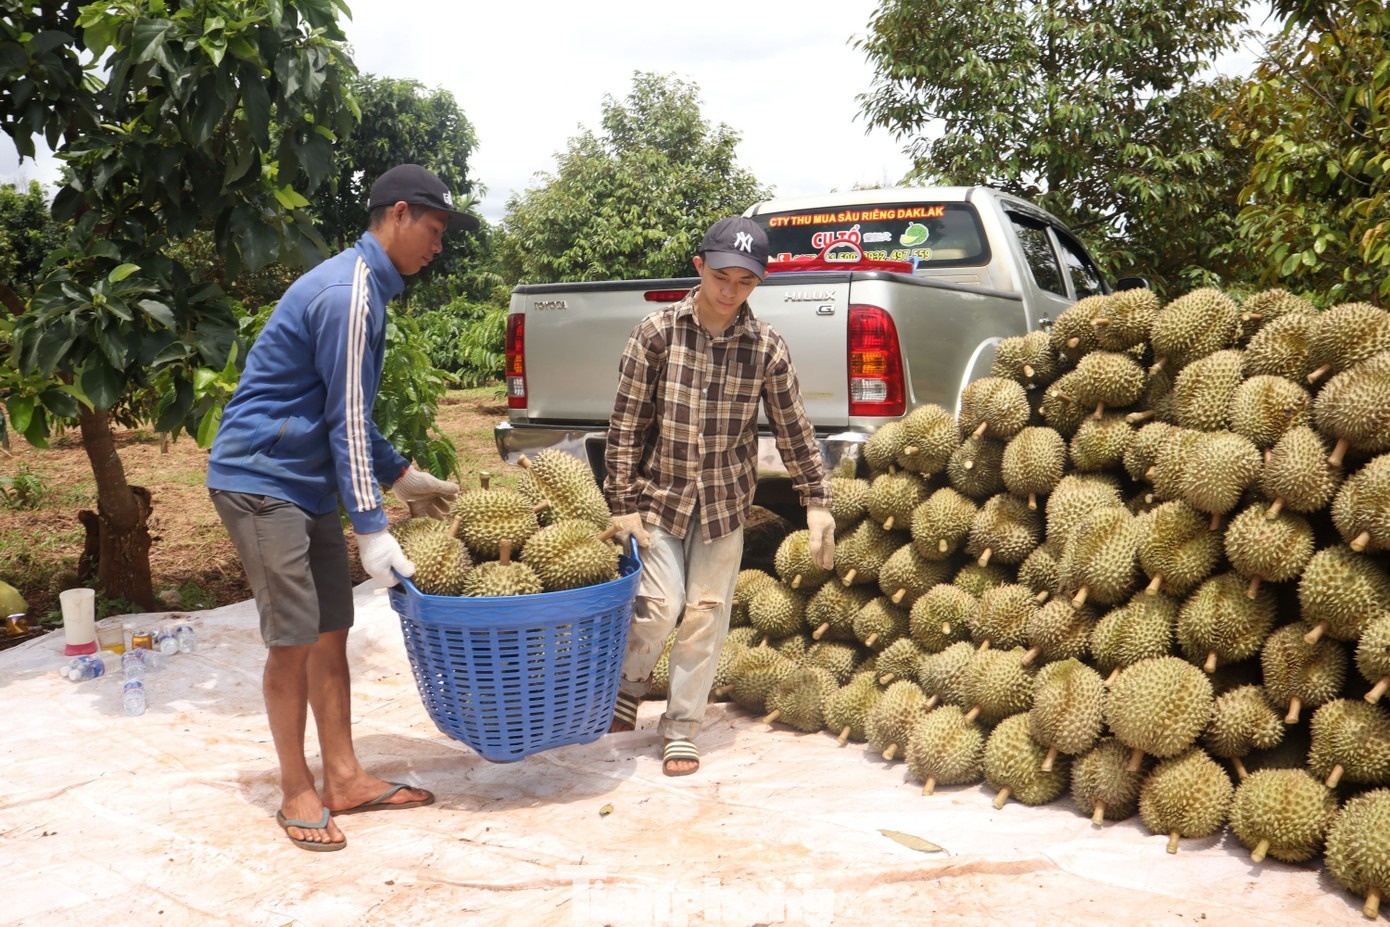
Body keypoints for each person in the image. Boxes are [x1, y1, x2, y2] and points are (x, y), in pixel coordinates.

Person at [206, 164, 474, 851]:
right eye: (435, 231)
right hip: (261, 478)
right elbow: (347, 423)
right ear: (400, 214)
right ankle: (296, 786)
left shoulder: (369, 292)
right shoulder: (349, 293)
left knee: (332, 626)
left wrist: (404, 475)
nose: (437, 247)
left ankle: (345, 775)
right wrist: (373, 526)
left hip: (306, 478)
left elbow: (343, 413)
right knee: (294, 635)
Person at [604, 215, 835, 777]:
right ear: (700, 267)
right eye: (723, 277)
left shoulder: (765, 347)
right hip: (659, 496)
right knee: (659, 607)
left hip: (725, 503)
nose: (732, 292)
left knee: (706, 613)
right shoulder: (657, 333)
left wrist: (817, 500)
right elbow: (627, 423)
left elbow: (793, 426)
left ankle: (682, 726)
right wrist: (622, 501)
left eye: (746, 282)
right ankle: (628, 685)